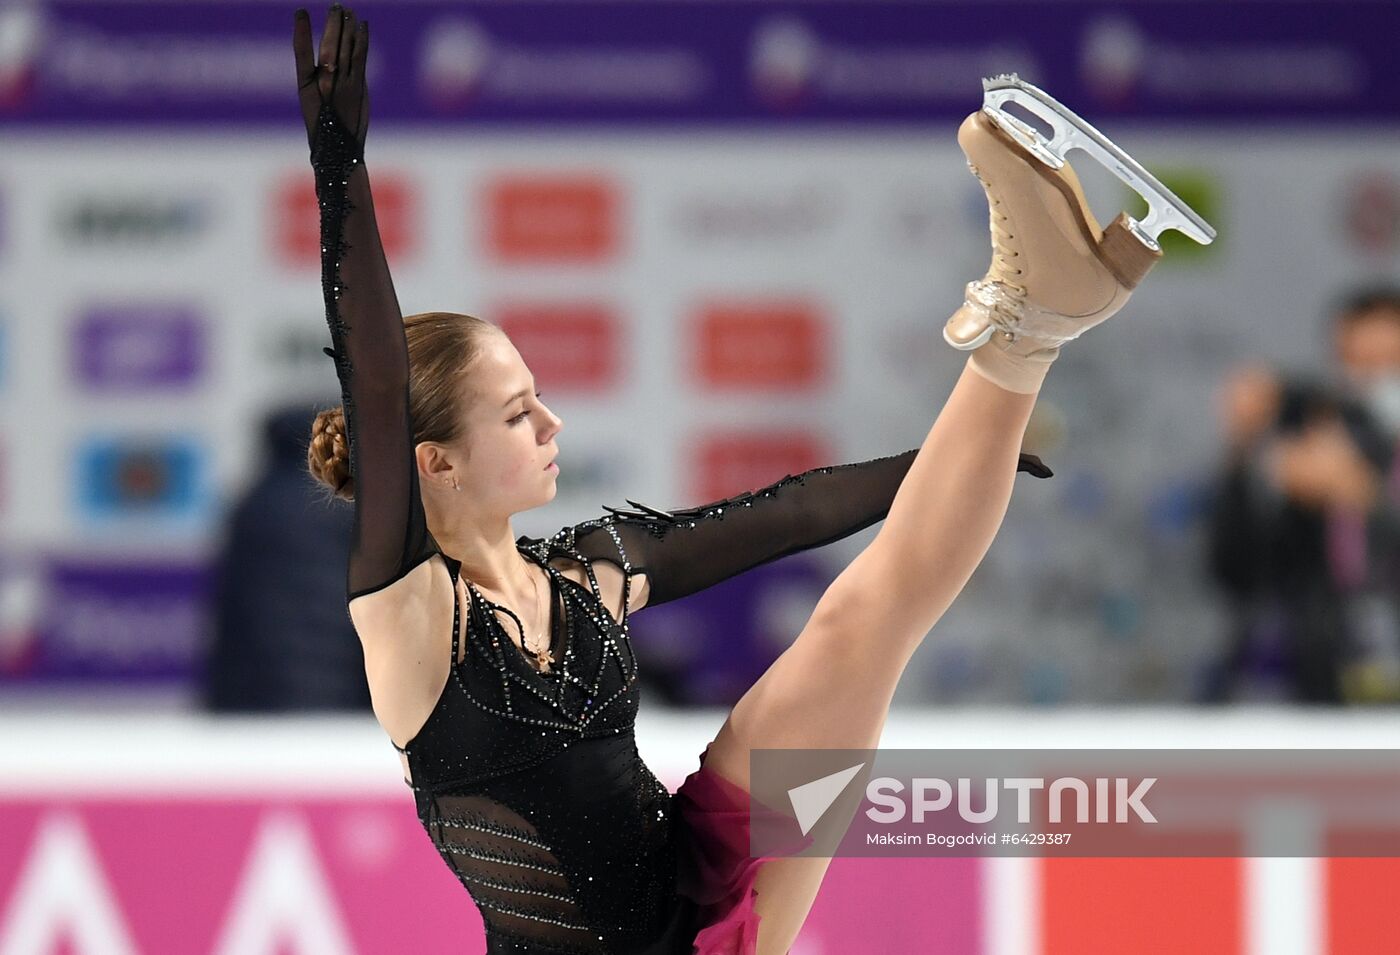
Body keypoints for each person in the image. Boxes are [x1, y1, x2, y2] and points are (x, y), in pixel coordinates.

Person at [293, 8, 1199, 953]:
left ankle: (1032, 322)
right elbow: (382, 387)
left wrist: (945, 463)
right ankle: (1040, 319)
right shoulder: (411, 618)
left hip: (699, 863)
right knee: (868, 620)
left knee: (863, 619)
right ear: (430, 461)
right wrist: (340, 175)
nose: (552, 423)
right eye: (518, 412)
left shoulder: (585, 575)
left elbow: (786, 512)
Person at [1206, 288, 1400, 703]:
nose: (1378, 383)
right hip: (1308, 685)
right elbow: (1232, 572)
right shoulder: (1309, 435)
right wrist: (1244, 454)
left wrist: (1366, 498)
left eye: (1391, 366)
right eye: (1360, 365)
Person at [201, 401, 369, 712]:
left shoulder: (259, 500)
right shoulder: (346, 504)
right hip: (310, 730)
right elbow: (312, 648)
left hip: (252, 720)